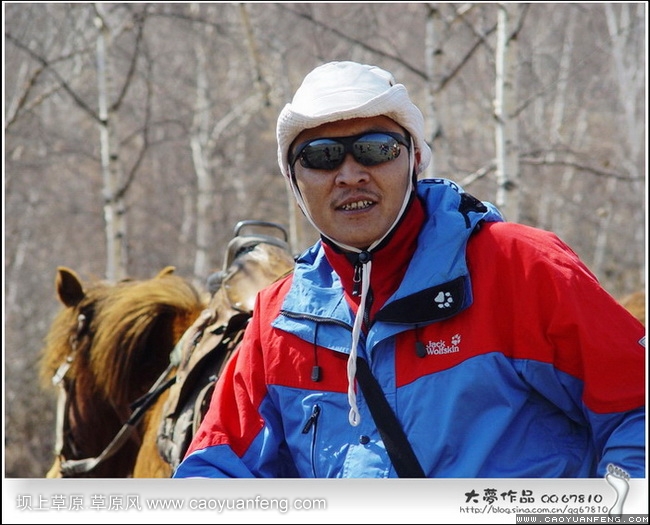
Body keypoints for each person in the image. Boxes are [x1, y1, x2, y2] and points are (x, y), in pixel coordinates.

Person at [173, 60, 646, 478]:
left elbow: (636, 410)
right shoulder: (279, 321)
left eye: (376, 149)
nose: (351, 173)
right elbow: (217, 469)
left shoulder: (521, 267)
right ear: (294, 180)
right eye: (321, 156)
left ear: (416, 158)